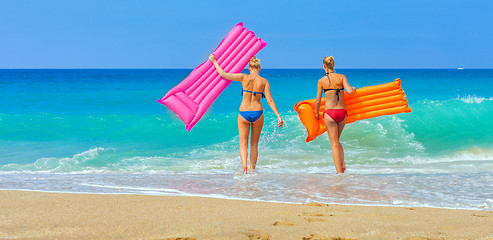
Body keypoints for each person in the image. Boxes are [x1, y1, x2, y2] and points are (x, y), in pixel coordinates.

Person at [209, 54, 283, 174]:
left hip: (244, 113)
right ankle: (253, 169)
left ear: (249, 68)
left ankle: (244, 167)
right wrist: (278, 116)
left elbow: (223, 74)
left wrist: (214, 61)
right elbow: (269, 100)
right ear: (259, 68)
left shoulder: (243, 77)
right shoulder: (264, 81)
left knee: (243, 145)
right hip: (258, 113)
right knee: (254, 145)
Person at [315, 56, 356, 174]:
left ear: (324, 66)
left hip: (330, 113)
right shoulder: (342, 77)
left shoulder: (321, 81)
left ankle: (339, 173)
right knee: (337, 141)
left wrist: (317, 113)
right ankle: (342, 164)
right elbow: (349, 91)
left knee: (334, 144)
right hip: (342, 113)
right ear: (334, 65)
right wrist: (352, 88)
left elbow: (318, 100)